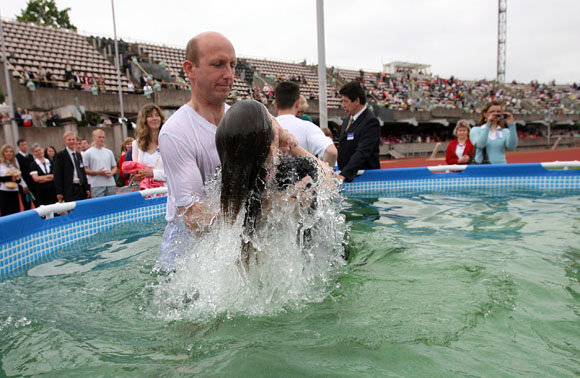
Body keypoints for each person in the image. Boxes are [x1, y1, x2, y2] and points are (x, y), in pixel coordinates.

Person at [158, 31, 297, 272]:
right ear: (190, 69)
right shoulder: (176, 132)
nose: (229, 75)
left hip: (231, 248)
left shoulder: (244, 117)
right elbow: (194, 218)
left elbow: (289, 145)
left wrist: (317, 173)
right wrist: (272, 206)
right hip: (187, 266)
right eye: (218, 64)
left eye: (232, 65)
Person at [217, 100, 332, 267]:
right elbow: (328, 177)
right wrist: (292, 144)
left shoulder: (226, 187)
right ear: (271, 149)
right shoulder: (295, 177)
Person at [274, 81, 337, 166]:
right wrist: (326, 175)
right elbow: (331, 151)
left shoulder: (266, 127)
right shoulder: (307, 127)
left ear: (275, 104)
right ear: (297, 104)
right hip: (302, 177)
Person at [336, 81, 380, 182]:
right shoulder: (347, 120)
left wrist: (343, 175)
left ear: (356, 101)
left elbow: (363, 152)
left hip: (365, 179)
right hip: (347, 176)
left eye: (345, 101)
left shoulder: (370, 122)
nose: (343, 105)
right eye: (341, 101)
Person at [125, 104, 166, 188]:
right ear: (144, 120)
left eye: (157, 115)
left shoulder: (168, 142)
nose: (154, 118)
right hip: (145, 193)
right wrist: (137, 176)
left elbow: (177, 173)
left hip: (166, 193)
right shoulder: (136, 144)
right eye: (150, 116)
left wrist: (153, 173)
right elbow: (136, 171)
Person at [54, 131, 91, 202]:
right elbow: (57, 174)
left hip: (80, 188)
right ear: (65, 141)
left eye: (73, 139)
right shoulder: (61, 155)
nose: (71, 142)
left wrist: (86, 188)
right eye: (69, 140)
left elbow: (82, 172)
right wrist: (59, 192)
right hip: (69, 189)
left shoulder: (78, 155)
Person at [83, 129, 118, 197]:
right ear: (94, 137)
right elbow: (85, 169)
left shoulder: (109, 152)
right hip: (96, 184)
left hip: (110, 183)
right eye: (99, 137)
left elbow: (115, 167)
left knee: (112, 205)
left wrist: (111, 173)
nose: (101, 139)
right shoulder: (88, 153)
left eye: (103, 137)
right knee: (99, 206)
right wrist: (97, 172)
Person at [0, 144, 26, 216]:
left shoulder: (15, 163)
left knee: (15, 212)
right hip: (4, 191)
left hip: (14, 191)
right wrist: (10, 178)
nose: (9, 153)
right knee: (6, 213)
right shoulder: (1, 163)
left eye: (11, 151)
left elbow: (19, 178)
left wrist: (23, 185)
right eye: (7, 151)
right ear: (3, 153)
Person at [15, 139, 35, 209]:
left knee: (37, 202)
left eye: (25, 144)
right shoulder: (16, 157)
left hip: (33, 182)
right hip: (24, 185)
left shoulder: (30, 156)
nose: (24, 146)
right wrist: (23, 185)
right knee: (27, 204)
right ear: (18, 146)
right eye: (22, 145)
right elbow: (18, 172)